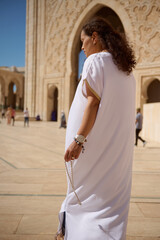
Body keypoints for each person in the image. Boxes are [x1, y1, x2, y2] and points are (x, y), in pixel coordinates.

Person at [56, 18, 136, 240]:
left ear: (94, 37)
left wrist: (78, 140)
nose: (81, 48)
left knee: (85, 200)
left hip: (94, 150)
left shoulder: (96, 61)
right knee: (110, 207)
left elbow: (92, 102)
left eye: (83, 41)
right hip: (116, 154)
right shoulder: (126, 70)